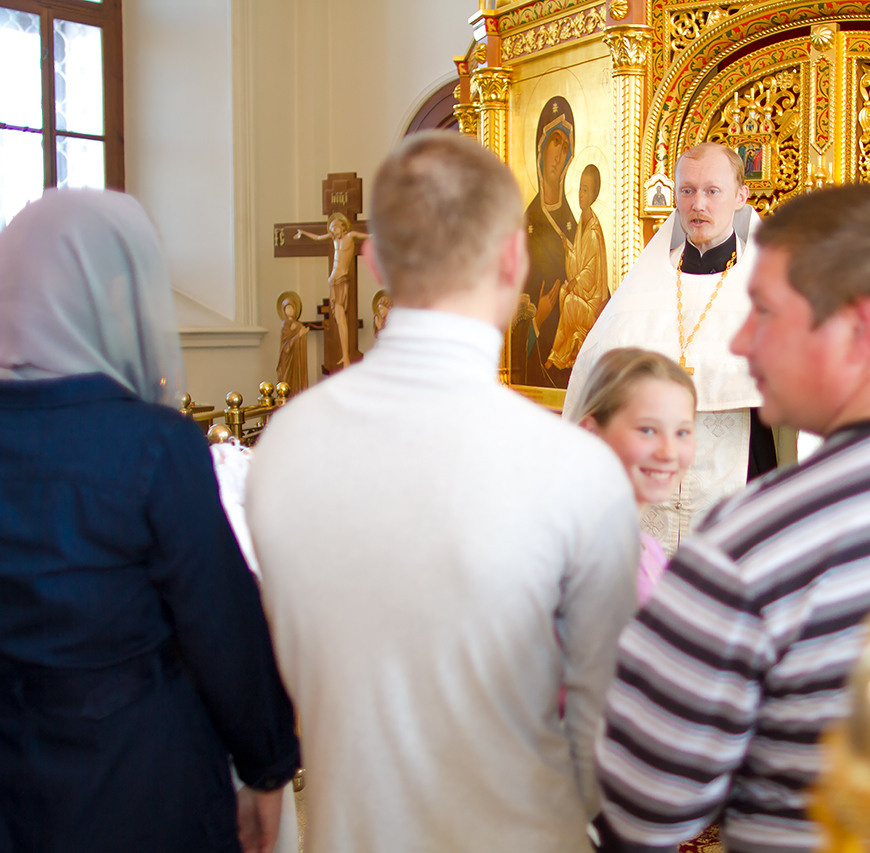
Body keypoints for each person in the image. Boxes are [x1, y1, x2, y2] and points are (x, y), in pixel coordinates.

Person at [593, 183, 870, 853]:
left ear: (860, 328)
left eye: (762, 312)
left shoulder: (756, 541)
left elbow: (644, 806)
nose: (740, 342)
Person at [246, 131, 640, 853]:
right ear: (515, 257)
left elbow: (282, 673)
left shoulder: (283, 446)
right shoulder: (578, 471)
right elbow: (603, 735)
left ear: (370, 261)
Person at [0, 189, 300, 853]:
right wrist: (268, 764)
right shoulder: (153, 444)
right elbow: (221, 624)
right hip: (133, 779)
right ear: (107, 303)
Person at [564, 142, 776, 556]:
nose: (698, 204)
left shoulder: (771, 284)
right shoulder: (645, 283)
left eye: (712, 191)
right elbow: (597, 376)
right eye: (687, 191)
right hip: (649, 475)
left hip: (737, 465)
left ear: (740, 197)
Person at [577, 347, 697, 604]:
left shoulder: (647, 547)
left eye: (683, 432)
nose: (669, 452)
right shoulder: (583, 555)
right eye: (648, 430)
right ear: (592, 434)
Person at [518, 95, 578, 388]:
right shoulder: (521, 225)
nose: (559, 154)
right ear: (540, 147)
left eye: (565, 147)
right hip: (530, 376)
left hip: (572, 370)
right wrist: (536, 320)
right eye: (555, 141)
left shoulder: (576, 228)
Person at [548, 163, 610, 371]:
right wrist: (569, 250)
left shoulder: (592, 229)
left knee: (569, 302)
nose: (580, 195)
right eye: (580, 188)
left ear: (593, 195)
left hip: (592, 304)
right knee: (565, 293)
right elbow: (580, 262)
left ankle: (558, 355)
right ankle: (567, 355)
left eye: (585, 190)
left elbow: (590, 272)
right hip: (584, 296)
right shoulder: (582, 222)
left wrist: (576, 281)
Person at [297, 212, 369, 370]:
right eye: (330, 229)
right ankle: (344, 354)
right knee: (337, 319)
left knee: (341, 318)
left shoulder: (350, 236)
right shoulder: (334, 240)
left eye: (334, 228)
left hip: (342, 281)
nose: (332, 231)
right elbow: (317, 238)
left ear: (342, 226)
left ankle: (346, 356)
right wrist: (302, 233)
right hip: (333, 281)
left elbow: (368, 235)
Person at [276, 290, 310, 392]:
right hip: (287, 360)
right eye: (287, 308)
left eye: (291, 308)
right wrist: (298, 335)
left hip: (298, 361)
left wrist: (301, 335)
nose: (289, 311)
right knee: (286, 381)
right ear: (283, 310)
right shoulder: (284, 326)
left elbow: (301, 343)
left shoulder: (299, 325)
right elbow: (285, 348)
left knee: (298, 382)